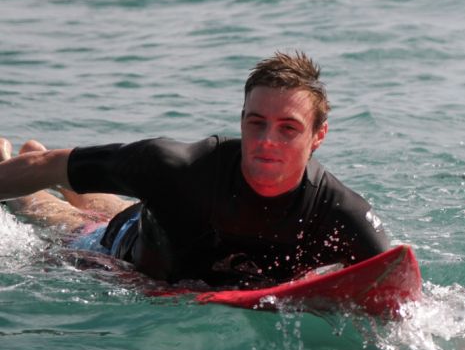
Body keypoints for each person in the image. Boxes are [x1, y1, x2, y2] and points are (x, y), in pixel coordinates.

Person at [0, 51, 390, 287]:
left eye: (288, 128)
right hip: (118, 248)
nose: (267, 139)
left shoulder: (338, 211)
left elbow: (397, 289)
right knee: (67, 218)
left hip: (161, 223)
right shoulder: (176, 168)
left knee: (116, 209)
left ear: (318, 136)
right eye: (257, 123)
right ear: (241, 121)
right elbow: (51, 165)